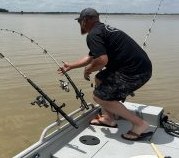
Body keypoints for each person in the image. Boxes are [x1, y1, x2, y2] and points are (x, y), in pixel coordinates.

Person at [59, 8, 153, 141]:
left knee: (99, 97)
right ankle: (108, 119)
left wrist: (88, 70)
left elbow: (102, 60)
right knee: (99, 79)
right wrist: (72, 66)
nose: (80, 25)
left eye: (80, 21)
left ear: (86, 20)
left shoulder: (93, 34)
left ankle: (140, 125)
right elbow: (92, 56)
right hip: (135, 67)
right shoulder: (102, 30)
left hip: (135, 71)